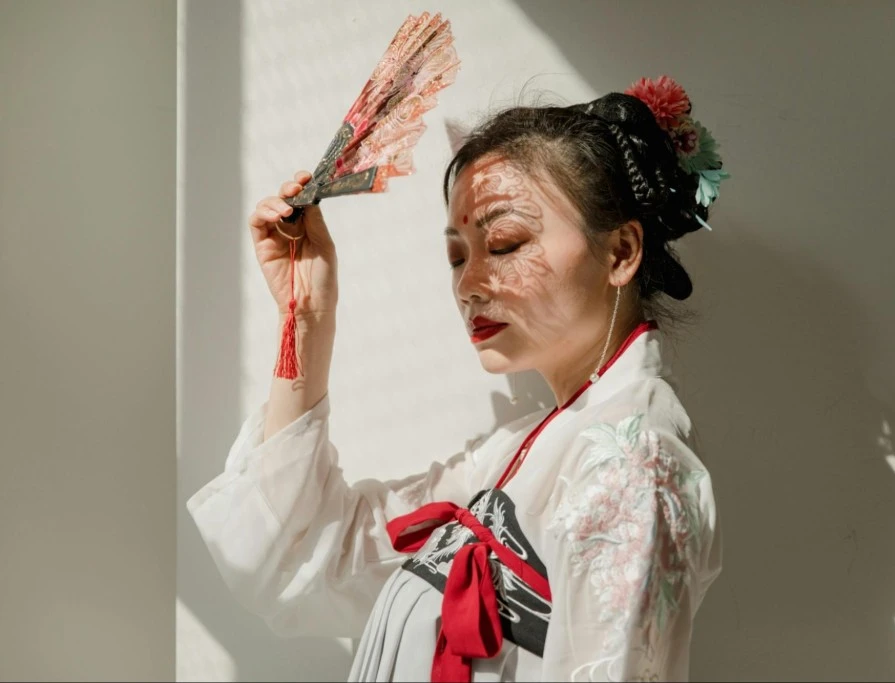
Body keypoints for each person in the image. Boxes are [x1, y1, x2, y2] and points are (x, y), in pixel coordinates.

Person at [187, 77, 726, 682]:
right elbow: (308, 558)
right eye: (456, 256)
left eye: (505, 242)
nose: (469, 285)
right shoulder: (517, 454)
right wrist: (306, 320)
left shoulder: (631, 467)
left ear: (621, 252)